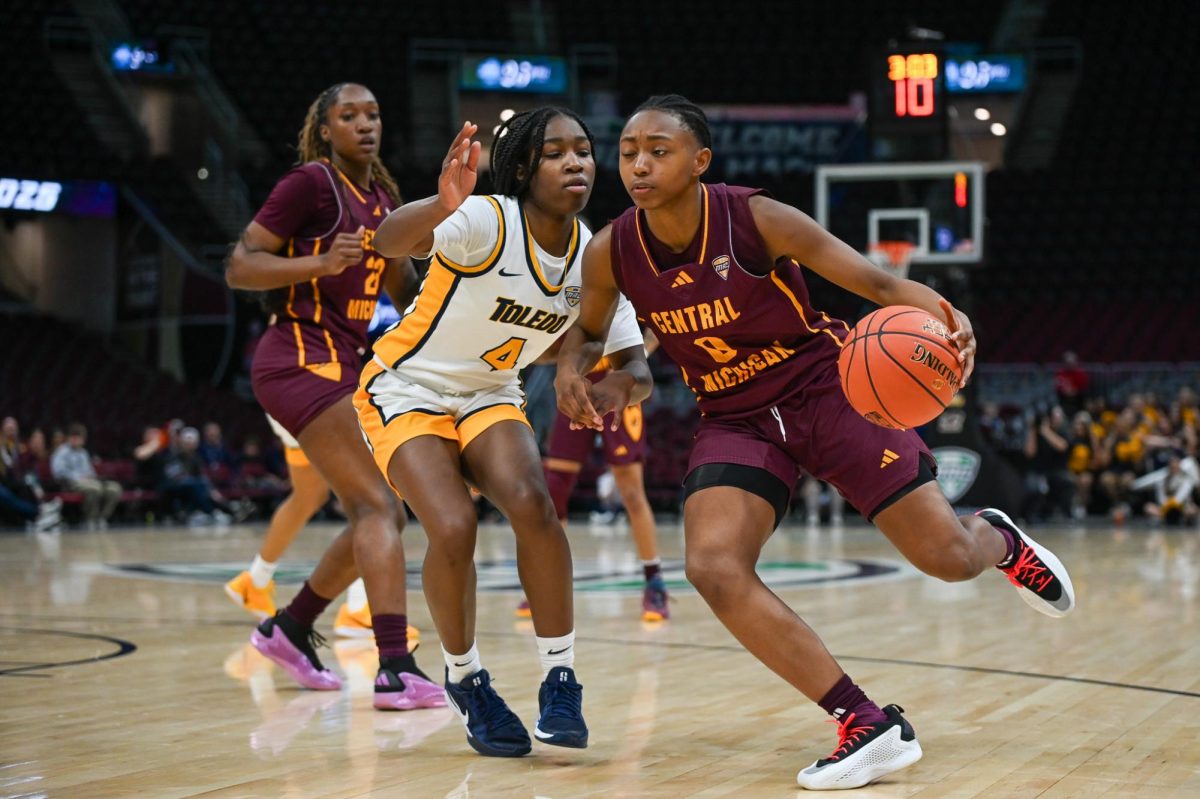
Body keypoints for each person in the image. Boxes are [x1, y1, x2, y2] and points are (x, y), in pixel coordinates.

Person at [554, 95, 1076, 790]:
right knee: (712, 565)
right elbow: (596, 336)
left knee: (949, 559)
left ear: (700, 160)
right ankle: (865, 722)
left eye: (659, 149)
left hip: (827, 390)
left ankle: (998, 540)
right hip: (734, 415)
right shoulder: (612, 248)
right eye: (628, 151)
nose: (639, 164)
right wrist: (583, 371)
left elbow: (874, 279)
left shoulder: (755, 217)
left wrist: (951, 319)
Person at [366, 109, 645, 756]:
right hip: (408, 386)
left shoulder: (594, 257)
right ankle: (465, 678)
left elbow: (635, 361)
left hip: (489, 390)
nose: (576, 162)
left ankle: (560, 677)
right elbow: (386, 240)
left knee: (535, 506)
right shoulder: (487, 218)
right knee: (455, 524)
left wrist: (615, 386)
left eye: (583, 150)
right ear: (523, 168)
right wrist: (441, 202)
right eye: (556, 153)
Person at [225, 82, 443, 712]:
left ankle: (288, 629)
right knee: (380, 505)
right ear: (325, 129)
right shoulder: (309, 186)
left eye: (373, 113)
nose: (364, 124)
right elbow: (240, 266)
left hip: (343, 361)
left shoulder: (382, 198)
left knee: (378, 508)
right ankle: (395, 666)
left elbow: (405, 289)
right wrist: (316, 265)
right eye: (349, 116)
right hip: (295, 355)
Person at [524, 327, 669, 621]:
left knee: (630, 490)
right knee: (555, 488)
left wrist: (633, 364)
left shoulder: (619, 287)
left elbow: (656, 326)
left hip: (617, 383)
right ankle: (549, 583)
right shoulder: (565, 286)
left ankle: (654, 582)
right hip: (576, 384)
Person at [50, 423, 122, 529]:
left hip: (89, 482)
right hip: (71, 484)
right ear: (69, 438)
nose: (76, 440)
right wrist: (79, 477)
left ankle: (101, 518)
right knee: (94, 489)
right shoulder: (62, 452)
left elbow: (90, 471)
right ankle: (90, 519)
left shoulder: (84, 453)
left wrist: (92, 477)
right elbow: (59, 472)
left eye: (79, 438)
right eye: (74, 437)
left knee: (114, 488)